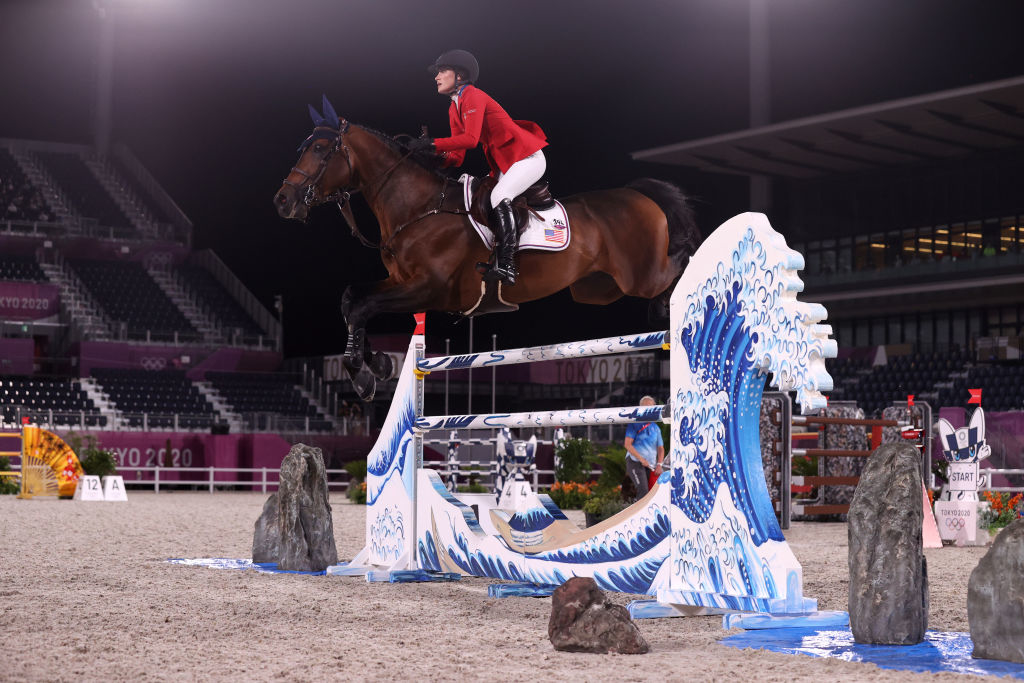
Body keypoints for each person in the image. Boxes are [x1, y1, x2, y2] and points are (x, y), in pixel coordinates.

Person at [409, 49, 548, 286]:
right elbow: (457, 155)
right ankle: (497, 255)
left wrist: (433, 142)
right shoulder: (454, 107)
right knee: (483, 195)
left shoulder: (472, 96)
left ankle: (507, 265)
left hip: (527, 157)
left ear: (459, 76)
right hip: (507, 162)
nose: (437, 77)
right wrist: (433, 157)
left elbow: (471, 140)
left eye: (443, 71)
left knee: (500, 196)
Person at [623, 395, 664, 502]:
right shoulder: (634, 424)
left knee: (651, 492)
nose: (650, 410)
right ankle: (639, 516)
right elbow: (627, 444)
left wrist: (659, 464)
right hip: (635, 462)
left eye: (652, 407)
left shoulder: (656, 428)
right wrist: (642, 459)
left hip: (650, 465)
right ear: (641, 408)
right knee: (643, 491)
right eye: (647, 407)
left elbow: (660, 448)